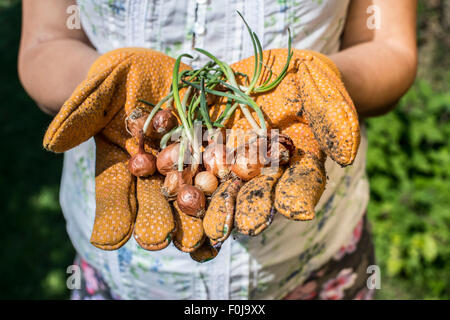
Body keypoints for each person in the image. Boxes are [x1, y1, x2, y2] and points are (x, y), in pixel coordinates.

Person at [18, 0, 417, 300]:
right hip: (125, 275)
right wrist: (110, 87)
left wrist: (316, 87)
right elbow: (46, 41)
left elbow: (389, 47)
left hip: (312, 262)